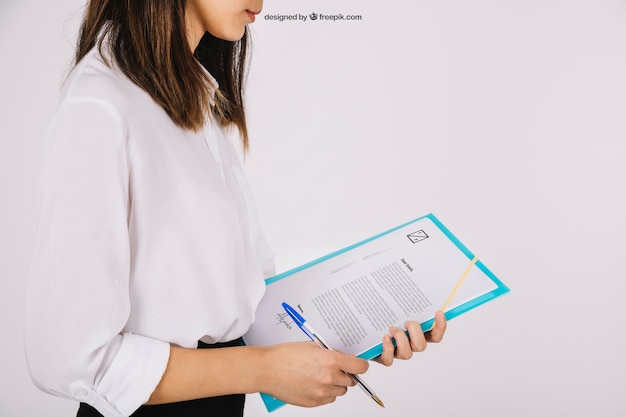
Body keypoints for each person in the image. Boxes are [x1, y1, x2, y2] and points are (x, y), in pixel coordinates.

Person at [24, 1, 448, 416]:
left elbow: (233, 303)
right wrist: (264, 370)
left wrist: (363, 325)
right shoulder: (99, 105)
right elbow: (71, 358)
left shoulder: (190, 94)